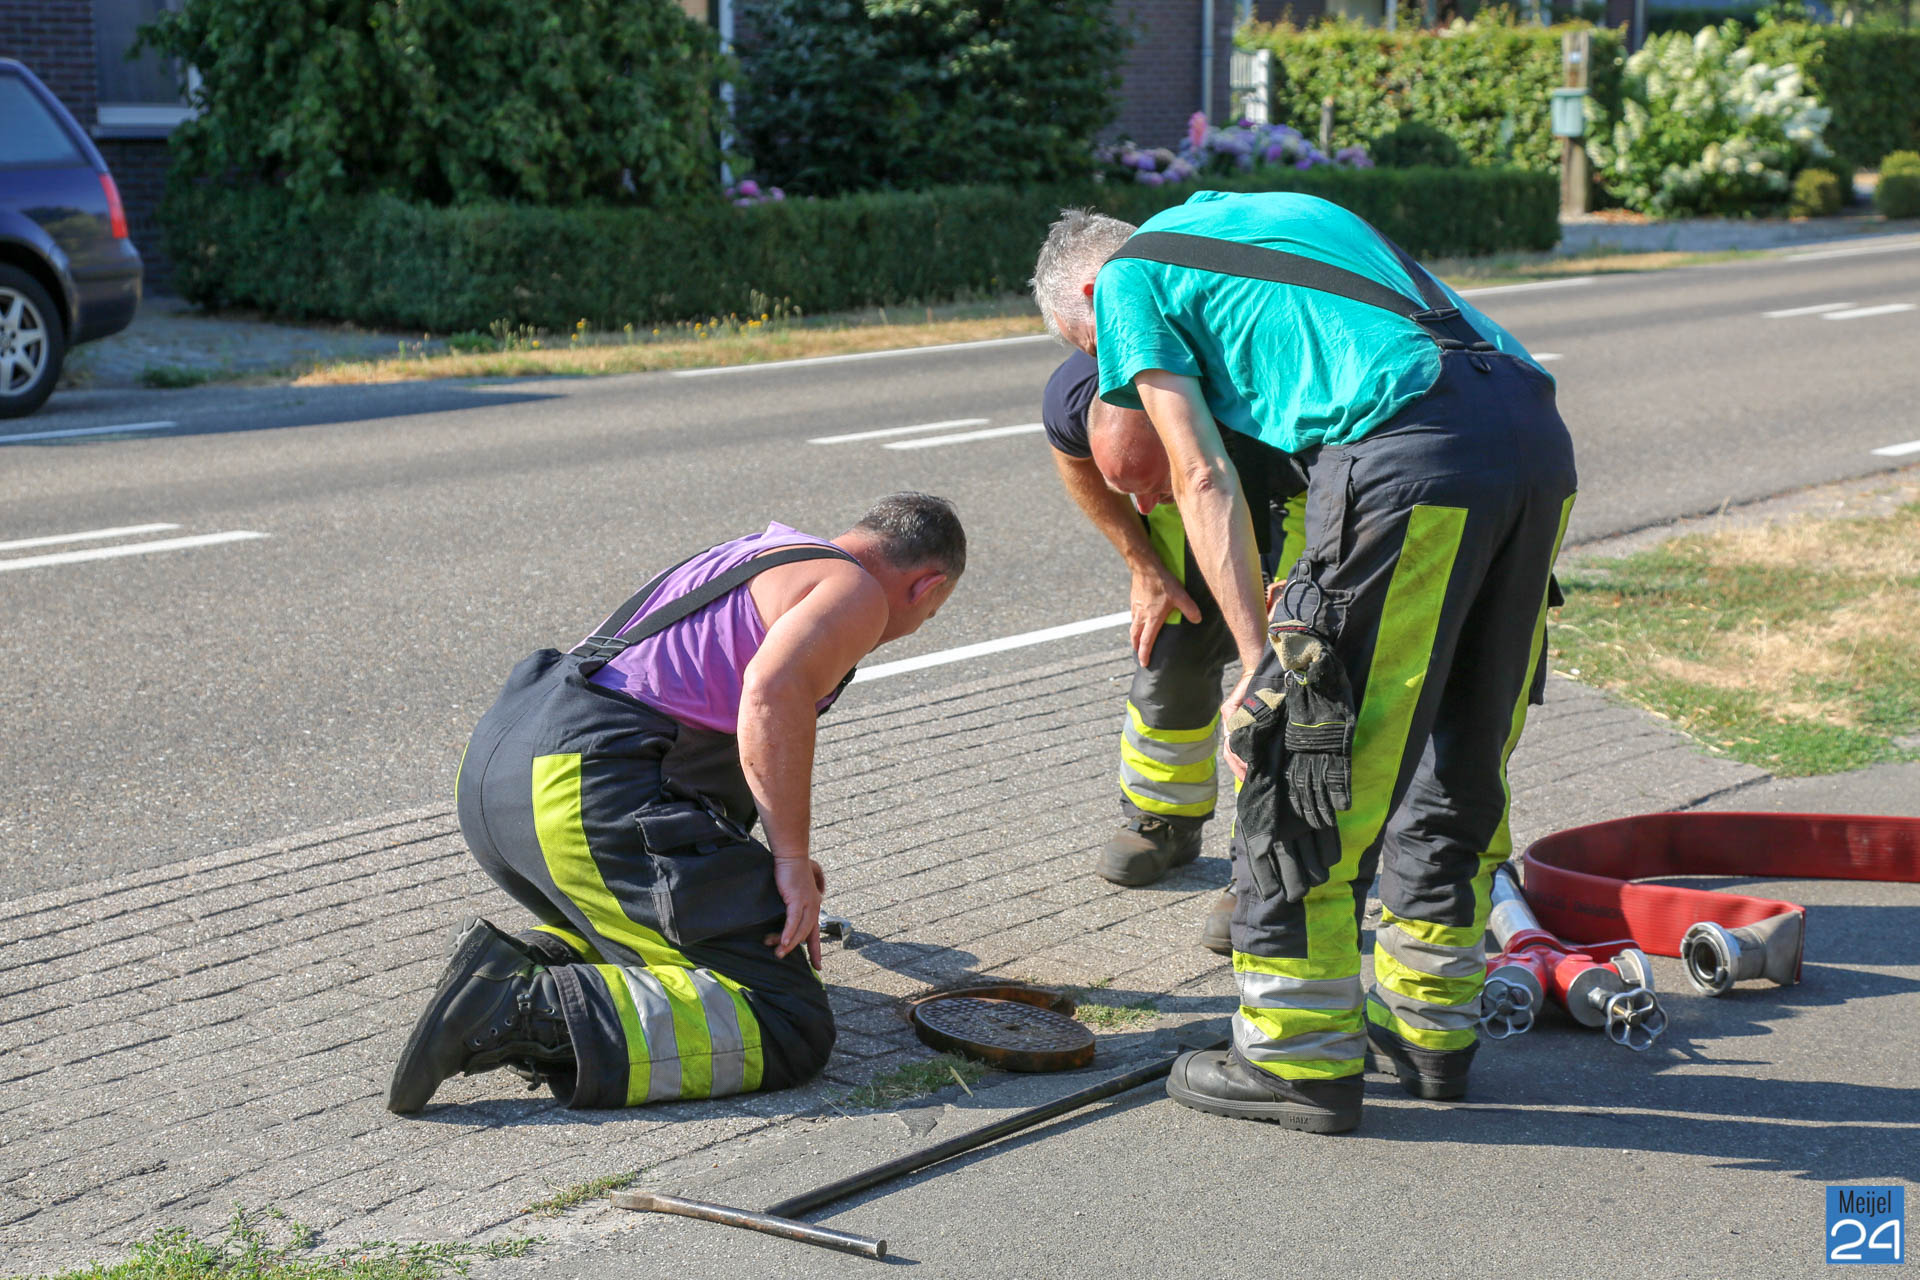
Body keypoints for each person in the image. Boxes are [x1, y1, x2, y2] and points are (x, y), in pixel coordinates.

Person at [1031, 193, 1576, 1133]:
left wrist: (1257, 664)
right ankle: (1431, 1029)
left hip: (1405, 457)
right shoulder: (1279, 213)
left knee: (1307, 763)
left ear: (1089, 296)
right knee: (1454, 760)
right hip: (1531, 438)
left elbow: (1200, 473)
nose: (1113, 381)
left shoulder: (1126, 278)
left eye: (1101, 357)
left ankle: (1296, 1059)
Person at [388, 494, 964, 1113]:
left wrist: (755, 864)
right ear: (926, 587)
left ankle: (518, 967)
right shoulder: (856, 592)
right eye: (931, 614)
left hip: (505, 772)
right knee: (785, 1020)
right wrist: (791, 860)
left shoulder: (764, 554)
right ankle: (523, 1008)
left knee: (684, 947)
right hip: (582, 791)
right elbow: (771, 695)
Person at [1043, 351, 1305, 955]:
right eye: (1127, 489)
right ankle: (1165, 821)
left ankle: (1265, 864)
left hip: (1294, 503)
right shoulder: (1076, 389)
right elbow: (1074, 458)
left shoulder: (1270, 393)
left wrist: (1271, 641)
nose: (1139, 504)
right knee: (1169, 662)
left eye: (1149, 485)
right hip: (1190, 503)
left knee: (1285, 689)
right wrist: (1142, 563)